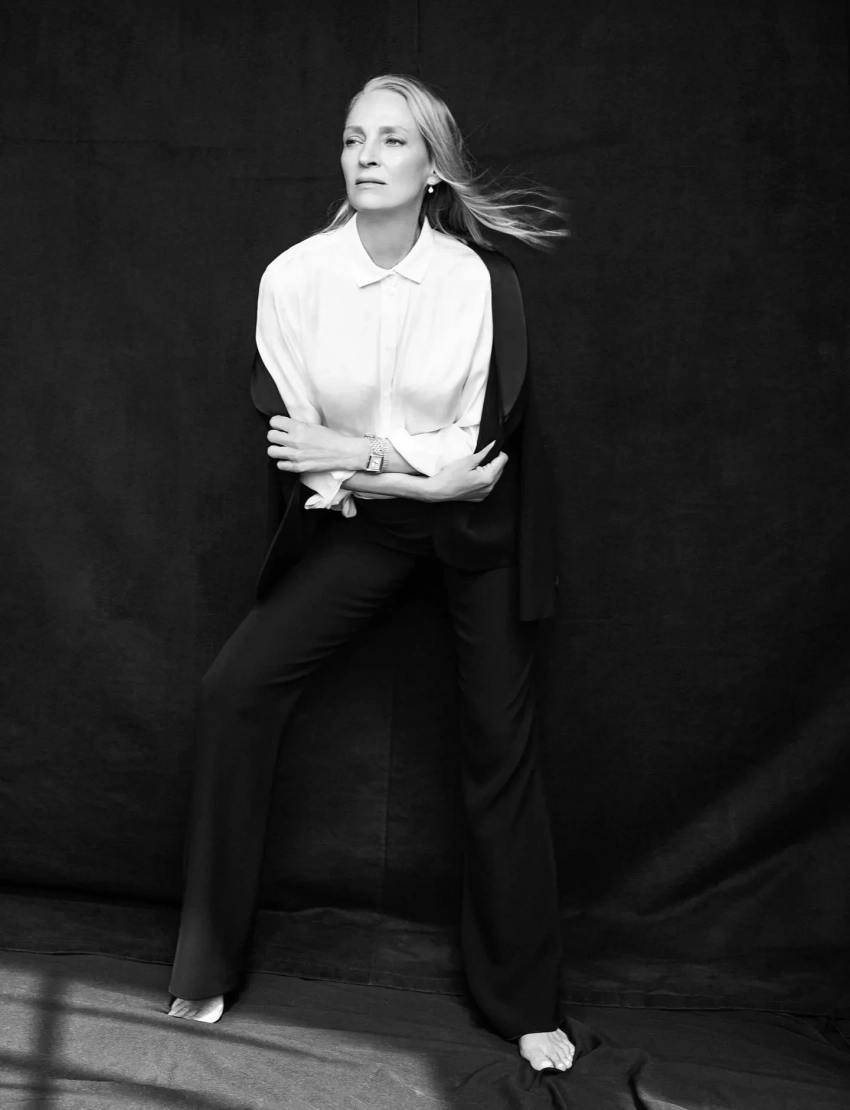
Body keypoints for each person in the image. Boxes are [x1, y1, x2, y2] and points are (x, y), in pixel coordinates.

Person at [166, 72, 574, 1073]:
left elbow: (481, 450)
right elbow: (294, 444)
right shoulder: (293, 279)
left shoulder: (480, 283)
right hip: (363, 521)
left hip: (480, 528)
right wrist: (403, 471)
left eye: (392, 139)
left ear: (432, 166)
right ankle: (205, 962)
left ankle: (525, 1003)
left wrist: (369, 456)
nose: (367, 155)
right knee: (232, 692)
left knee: (499, 740)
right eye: (355, 138)